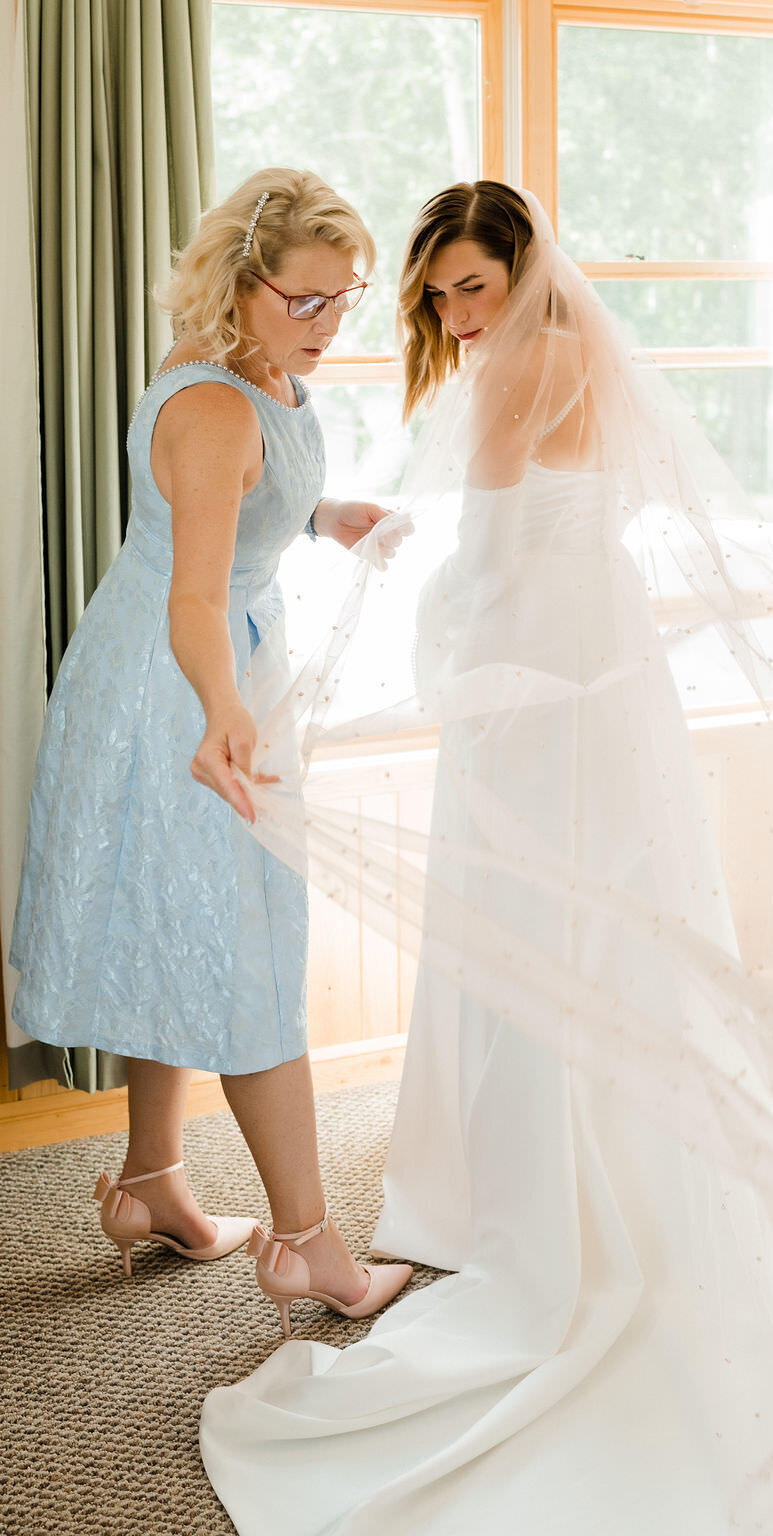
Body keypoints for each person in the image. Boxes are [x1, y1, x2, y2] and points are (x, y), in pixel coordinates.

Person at [201, 183, 773, 1533]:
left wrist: (429, 662)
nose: (459, 315)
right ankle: (550, 1162)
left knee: (535, 909)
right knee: (585, 906)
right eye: (442, 294)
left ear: (522, 270)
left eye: (474, 286)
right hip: (586, 645)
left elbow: (485, 546)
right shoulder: (557, 351)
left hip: (541, 660)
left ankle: (552, 1195)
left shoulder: (523, 363)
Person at [9, 168, 411, 1324]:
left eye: (347, 298)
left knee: (178, 930)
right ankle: (306, 1245)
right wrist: (222, 707)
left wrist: (327, 518)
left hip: (201, 671)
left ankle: (151, 1185)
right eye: (307, 299)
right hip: (177, 687)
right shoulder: (216, 405)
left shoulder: (266, 375)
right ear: (242, 286)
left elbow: (242, 514)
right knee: (241, 955)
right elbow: (194, 595)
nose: (331, 323)